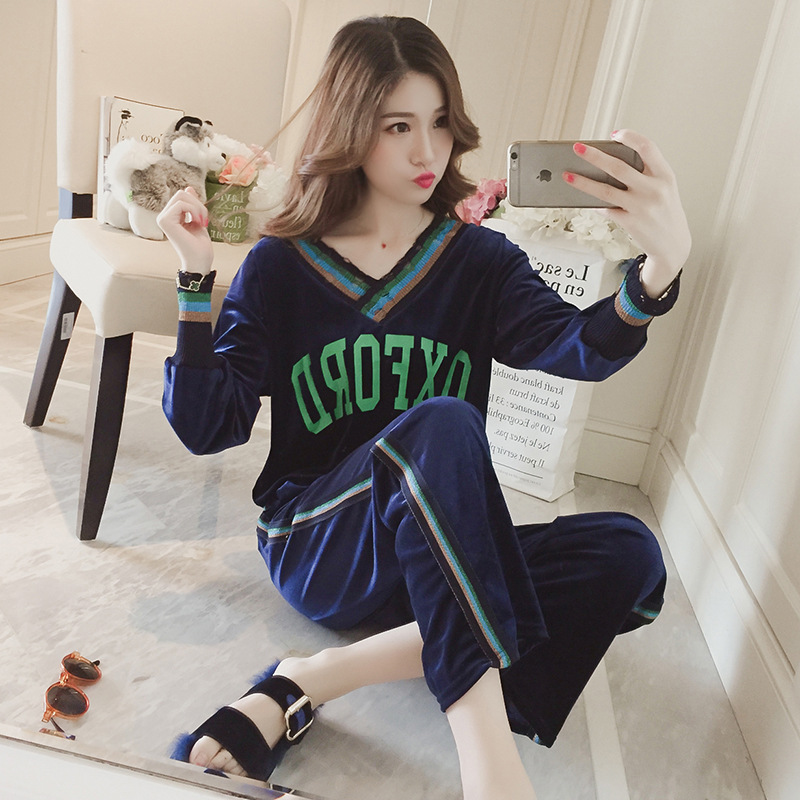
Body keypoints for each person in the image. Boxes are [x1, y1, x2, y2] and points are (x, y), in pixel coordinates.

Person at [158, 15, 691, 800]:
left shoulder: (480, 260)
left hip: (431, 556)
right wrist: (196, 280)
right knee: (443, 421)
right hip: (320, 540)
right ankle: (489, 766)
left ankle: (314, 678)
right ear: (348, 128)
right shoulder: (281, 266)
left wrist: (658, 269)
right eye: (397, 125)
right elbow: (210, 428)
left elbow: (578, 347)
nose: (426, 152)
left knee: (628, 553)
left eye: (439, 123)